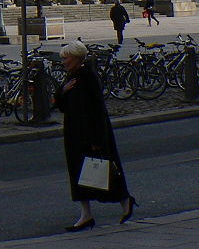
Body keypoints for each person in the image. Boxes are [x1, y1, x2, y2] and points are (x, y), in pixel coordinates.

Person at [53, 41, 137, 231]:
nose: (64, 61)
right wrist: (62, 92)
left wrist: (97, 140)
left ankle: (125, 202)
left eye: (66, 58)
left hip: (91, 134)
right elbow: (62, 105)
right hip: (75, 134)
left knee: (105, 172)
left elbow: (98, 109)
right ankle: (86, 215)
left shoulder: (88, 77)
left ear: (76, 58)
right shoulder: (71, 77)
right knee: (79, 174)